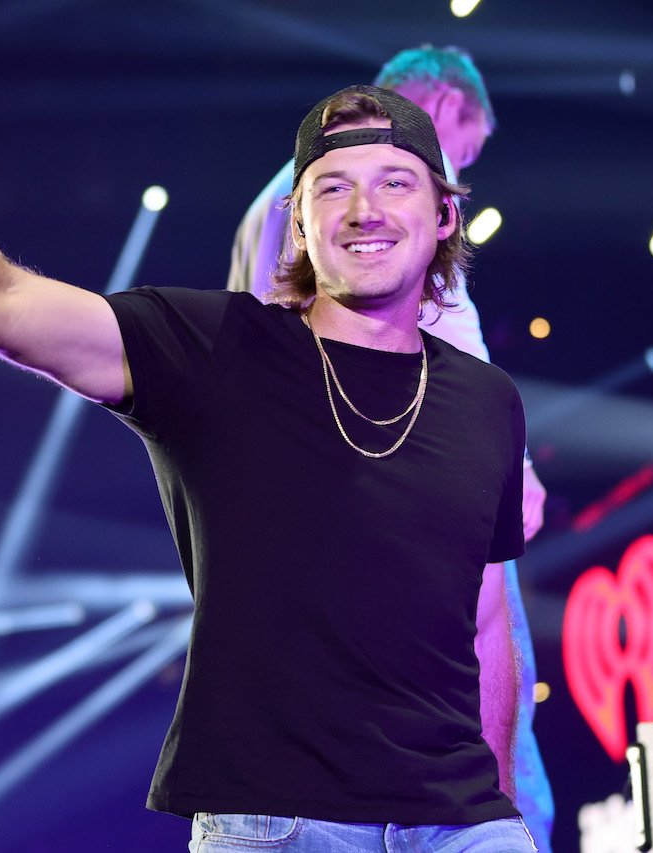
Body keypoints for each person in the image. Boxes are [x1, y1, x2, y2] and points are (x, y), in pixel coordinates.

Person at [0, 77, 537, 852]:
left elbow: (486, 616)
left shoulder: (487, 400)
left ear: (445, 215)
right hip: (284, 824)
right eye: (332, 186)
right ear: (302, 223)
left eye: (395, 181)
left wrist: (499, 803)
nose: (365, 209)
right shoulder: (219, 349)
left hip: (457, 824)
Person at [228, 44, 555, 850]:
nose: (455, 168)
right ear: (439, 104)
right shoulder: (361, 203)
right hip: (403, 467)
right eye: (462, 148)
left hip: (362, 474)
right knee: (487, 676)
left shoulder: (304, 192)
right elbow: (417, 326)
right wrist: (507, 464)